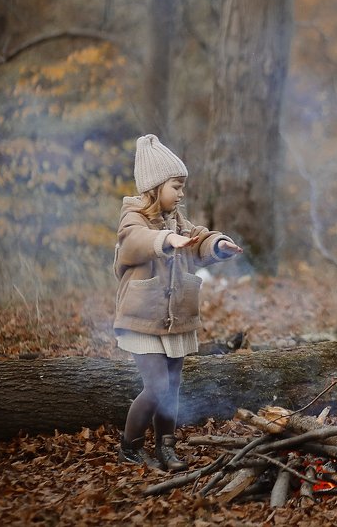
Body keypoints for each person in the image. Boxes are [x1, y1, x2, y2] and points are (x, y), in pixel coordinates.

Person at [113, 134, 243, 470]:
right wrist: (166, 239)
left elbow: (197, 238)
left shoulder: (178, 220)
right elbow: (134, 243)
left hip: (175, 319)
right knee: (156, 386)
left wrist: (216, 245)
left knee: (172, 387)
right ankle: (130, 446)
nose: (181, 193)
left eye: (183, 186)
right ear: (155, 187)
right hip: (143, 318)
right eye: (176, 186)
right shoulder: (134, 218)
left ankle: (166, 447)